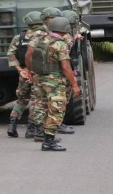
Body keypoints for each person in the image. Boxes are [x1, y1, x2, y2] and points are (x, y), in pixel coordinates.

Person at [26, 16, 80, 151]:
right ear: (65, 29)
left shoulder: (38, 39)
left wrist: (31, 72)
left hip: (39, 79)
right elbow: (66, 67)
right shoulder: (60, 44)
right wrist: (74, 84)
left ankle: (45, 137)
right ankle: (48, 141)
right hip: (54, 82)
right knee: (56, 110)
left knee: (42, 107)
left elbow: (28, 56)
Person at [5, 10, 44, 138]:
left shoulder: (20, 37)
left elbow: (10, 54)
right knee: (36, 100)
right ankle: (31, 128)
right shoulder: (44, 35)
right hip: (37, 72)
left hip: (24, 73)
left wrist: (20, 69)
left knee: (21, 99)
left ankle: (12, 125)